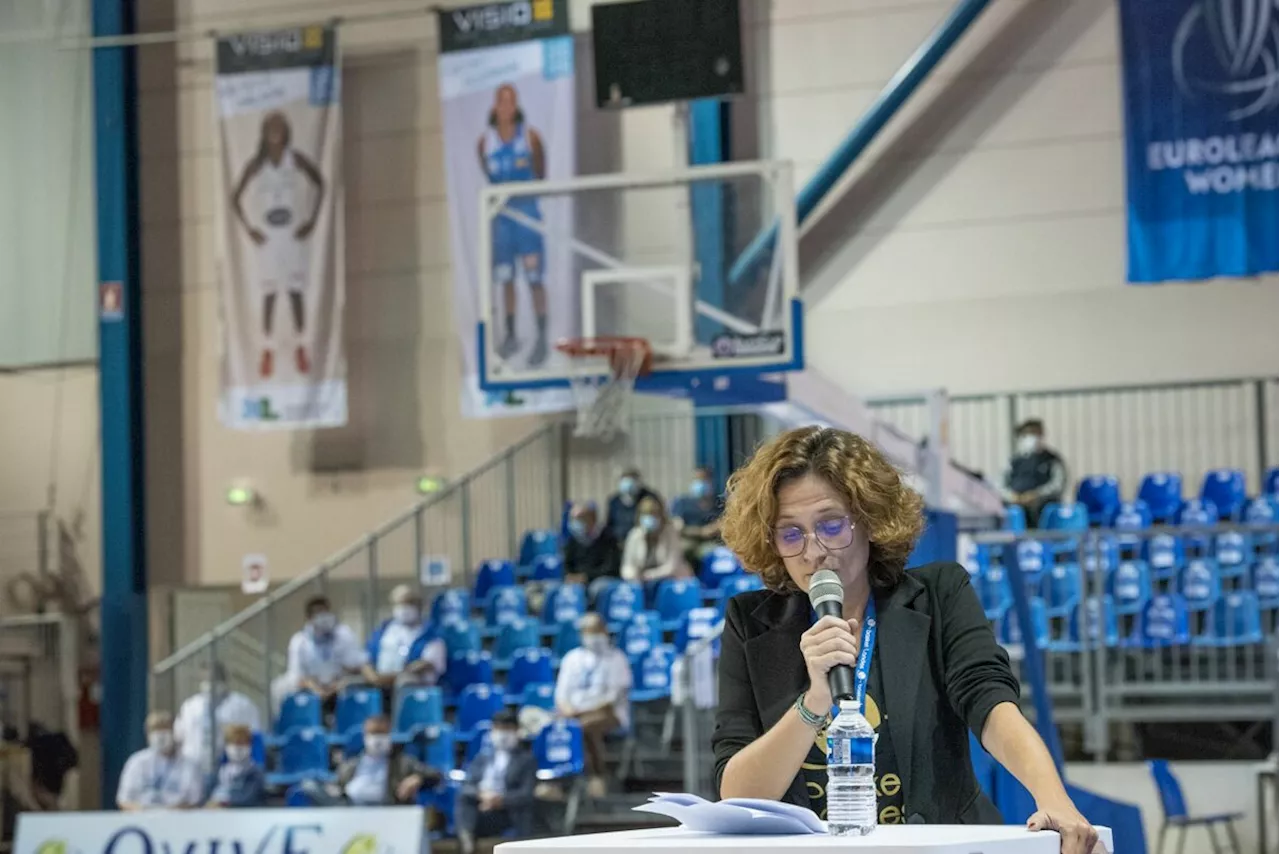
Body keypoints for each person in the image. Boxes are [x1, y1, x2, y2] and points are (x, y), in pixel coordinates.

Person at [712, 426, 1097, 854]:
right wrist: (814, 701)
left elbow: (990, 703)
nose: (813, 550)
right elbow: (738, 794)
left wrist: (1053, 797)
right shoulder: (750, 622)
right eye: (791, 533)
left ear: (870, 518)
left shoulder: (938, 595)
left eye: (831, 524)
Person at [231, 111, 326, 380]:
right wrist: (250, 229)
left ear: (286, 131)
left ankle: (300, 345)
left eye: (280, 126)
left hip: (292, 234)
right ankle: (267, 348)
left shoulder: (294, 159)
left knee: (295, 292)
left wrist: (311, 221)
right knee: (270, 294)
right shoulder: (256, 165)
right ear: (264, 132)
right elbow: (235, 197)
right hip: (269, 237)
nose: (275, 130)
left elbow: (321, 183)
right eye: (271, 126)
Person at [479, 84, 549, 367]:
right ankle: (511, 334)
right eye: (501, 101)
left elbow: (542, 173)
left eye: (511, 101)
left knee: (534, 279)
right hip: (502, 220)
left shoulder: (530, 137)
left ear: (516, 105)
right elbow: (488, 177)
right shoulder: (485, 142)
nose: (506, 106)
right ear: (495, 106)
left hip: (527, 215)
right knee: (506, 278)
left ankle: (542, 337)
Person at [554, 614, 632, 797]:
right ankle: (553, 781)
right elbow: (561, 693)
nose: (593, 636)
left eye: (596, 631)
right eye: (589, 632)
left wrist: (579, 712)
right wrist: (566, 709)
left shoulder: (617, 658)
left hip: (609, 713)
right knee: (551, 728)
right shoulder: (571, 659)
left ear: (605, 631)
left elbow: (613, 698)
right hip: (572, 713)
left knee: (584, 727)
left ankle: (597, 777)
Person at [304, 715, 441, 807]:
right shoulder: (351, 765)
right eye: (373, 734)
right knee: (309, 785)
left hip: (386, 812)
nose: (377, 739)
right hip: (350, 810)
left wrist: (418, 778)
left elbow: (436, 776)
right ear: (365, 737)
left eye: (382, 734)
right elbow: (337, 787)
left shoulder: (403, 762)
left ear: (389, 736)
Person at [456, 711, 538, 854]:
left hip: (507, 812)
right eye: (499, 728)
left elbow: (526, 794)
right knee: (463, 799)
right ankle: (467, 845)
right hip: (481, 809)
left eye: (507, 729)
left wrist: (499, 800)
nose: (502, 733)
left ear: (517, 731)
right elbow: (467, 786)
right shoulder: (482, 757)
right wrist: (482, 796)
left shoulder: (527, 760)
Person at [277, 595, 367, 716]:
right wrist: (318, 690)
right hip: (312, 693)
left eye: (325, 612)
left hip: (340, 690)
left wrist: (336, 685)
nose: (323, 617)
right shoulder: (299, 641)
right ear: (309, 618)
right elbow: (298, 676)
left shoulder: (344, 634)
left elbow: (356, 665)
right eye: (318, 613)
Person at [364, 585, 447, 704]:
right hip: (379, 680)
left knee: (405, 681)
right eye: (400, 604)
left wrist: (390, 678)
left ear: (418, 607)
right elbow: (366, 657)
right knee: (350, 684)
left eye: (409, 604)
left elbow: (424, 665)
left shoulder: (430, 634)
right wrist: (372, 676)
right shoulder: (385, 629)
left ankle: (400, 720)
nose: (403, 609)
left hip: (410, 682)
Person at [174, 663, 262, 773]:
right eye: (205, 680)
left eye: (213, 679)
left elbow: (255, 735)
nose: (209, 683)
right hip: (193, 765)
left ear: (223, 680)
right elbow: (179, 736)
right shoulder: (190, 706)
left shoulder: (242, 705)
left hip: (230, 765)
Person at [117, 711, 204, 811]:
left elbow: (194, 801)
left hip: (178, 819)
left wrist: (167, 813)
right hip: (141, 818)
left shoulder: (190, 765)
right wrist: (144, 811)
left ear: (174, 733)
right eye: (155, 732)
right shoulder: (137, 762)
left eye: (165, 731)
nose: (160, 737)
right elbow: (124, 800)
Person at [1002, 419, 1067, 528]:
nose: (1033, 438)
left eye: (1037, 434)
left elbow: (1057, 484)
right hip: (1016, 505)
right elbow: (1000, 484)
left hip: (1043, 507)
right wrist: (1012, 496)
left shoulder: (1052, 460)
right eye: (1029, 434)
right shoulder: (1014, 461)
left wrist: (1036, 495)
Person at [620, 496, 689, 584]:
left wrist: (649, 576)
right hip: (642, 583)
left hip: (671, 580)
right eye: (645, 515)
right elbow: (627, 566)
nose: (649, 518)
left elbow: (672, 566)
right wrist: (633, 576)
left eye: (653, 514)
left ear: (660, 516)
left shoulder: (670, 532)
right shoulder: (634, 535)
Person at [563, 502, 621, 602]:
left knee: (596, 590)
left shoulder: (608, 538)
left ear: (592, 519)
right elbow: (567, 564)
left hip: (601, 579)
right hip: (578, 580)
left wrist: (586, 577)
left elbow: (611, 568)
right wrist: (571, 576)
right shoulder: (573, 539)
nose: (575, 522)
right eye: (572, 519)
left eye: (579, 518)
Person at [672, 466, 723, 568]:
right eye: (697, 479)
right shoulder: (682, 503)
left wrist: (715, 528)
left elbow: (723, 523)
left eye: (704, 479)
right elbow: (678, 527)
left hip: (712, 541)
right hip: (689, 540)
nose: (700, 483)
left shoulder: (719, 503)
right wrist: (701, 531)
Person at [205, 724, 265, 808]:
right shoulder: (219, 769)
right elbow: (207, 793)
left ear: (250, 746)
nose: (238, 748)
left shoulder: (255, 773)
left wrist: (223, 803)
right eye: (234, 744)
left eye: (242, 744)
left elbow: (247, 798)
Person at [605, 468, 661, 544]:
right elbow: (610, 526)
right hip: (619, 543)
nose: (628, 485)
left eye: (631, 481)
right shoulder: (614, 502)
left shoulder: (649, 497)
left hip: (643, 541)